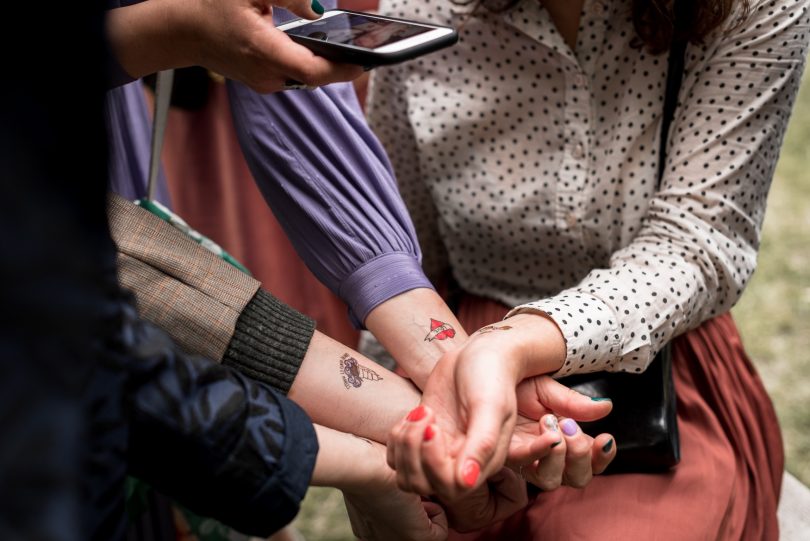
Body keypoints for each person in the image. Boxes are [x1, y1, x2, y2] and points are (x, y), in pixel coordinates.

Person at [365, 0, 809, 538]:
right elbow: (401, 253)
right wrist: (383, 412)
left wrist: (515, 344)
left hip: (658, 364)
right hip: (454, 357)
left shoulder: (751, 8)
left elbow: (699, 240)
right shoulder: (423, 9)